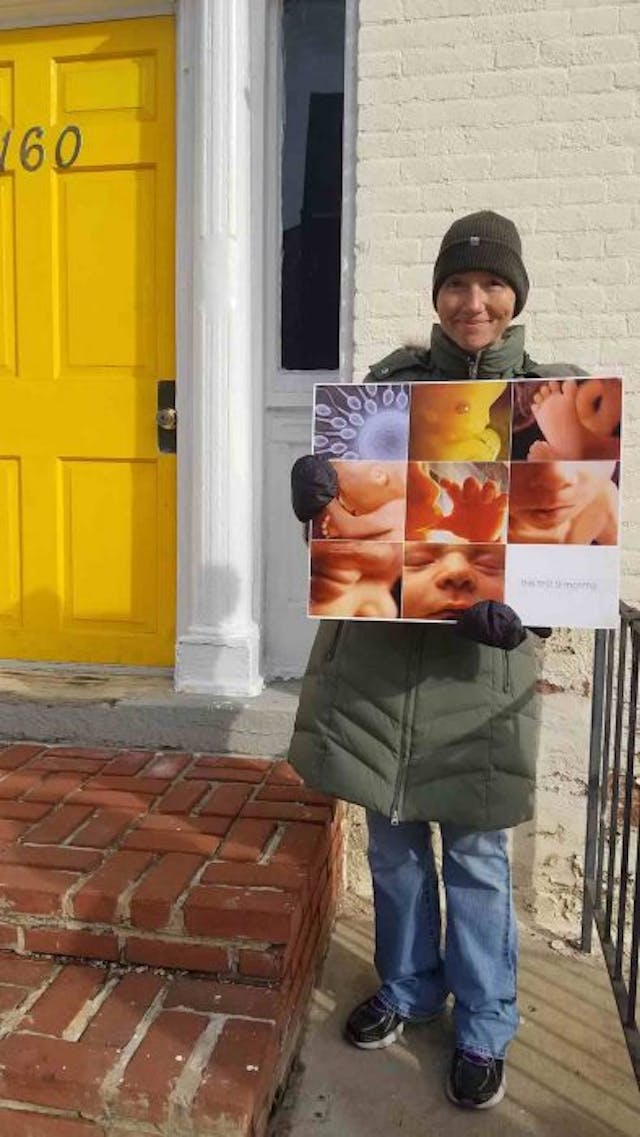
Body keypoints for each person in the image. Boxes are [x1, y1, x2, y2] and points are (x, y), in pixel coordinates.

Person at [288, 210, 584, 1110]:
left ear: (516, 294)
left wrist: (527, 617)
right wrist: (313, 490)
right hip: (383, 661)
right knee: (393, 844)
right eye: (457, 284)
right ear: (436, 296)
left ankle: (487, 1020)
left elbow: (565, 552)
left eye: (491, 283)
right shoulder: (388, 390)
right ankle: (411, 986)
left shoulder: (553, 402)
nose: (473, 301)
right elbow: (346, 524)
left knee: (478, 857)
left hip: (475, 678)